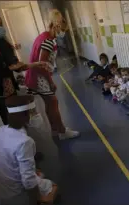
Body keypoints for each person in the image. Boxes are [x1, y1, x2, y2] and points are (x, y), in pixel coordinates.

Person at [0, 10, 46, 125]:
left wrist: (36, 64)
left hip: (9, 88)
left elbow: (16, 65)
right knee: (3, 120)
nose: (1, 28)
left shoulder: (1, 42)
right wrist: (9, 68)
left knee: (16, 118)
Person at [0, 95, 58, 205]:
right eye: (34, 112)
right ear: (26, 115)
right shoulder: (25, 142)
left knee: (38, 174)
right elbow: (29, 182)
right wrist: (36, 200)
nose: (36, 114)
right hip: (15, 197)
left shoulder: (0, 130)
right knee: (52, 186)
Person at [25, 9, 79, 140]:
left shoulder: (43, 36)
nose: (63, 34)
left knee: (49, 104)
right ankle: (62, 131)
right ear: (58, 26)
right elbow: (42, 65)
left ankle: (55, 130)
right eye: (63, 30)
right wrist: (50, 81)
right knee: (53, 103)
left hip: (35, 75)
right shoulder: (49, 41)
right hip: (40, 77)